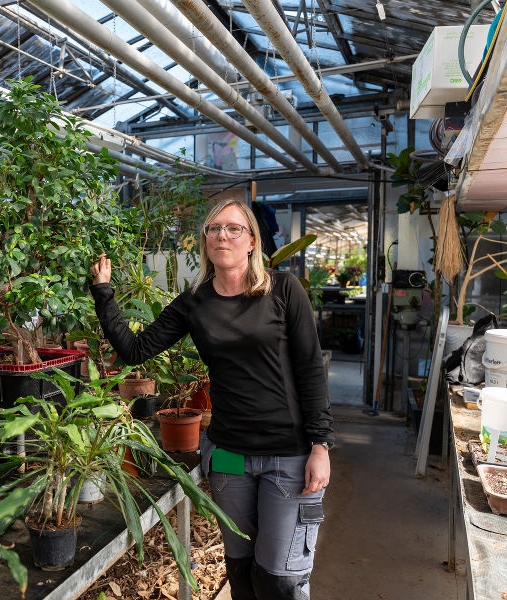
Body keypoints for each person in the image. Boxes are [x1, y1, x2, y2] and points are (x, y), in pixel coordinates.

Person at [89, 198, 333, 600]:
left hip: (286, 457)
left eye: (234, 228)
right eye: (213, 229)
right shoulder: (195, 303)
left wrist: (320, 445)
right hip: (227, 457)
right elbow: (134, 350)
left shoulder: (283, 290)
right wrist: (103, 293)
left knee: (280, 579)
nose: (222, 235)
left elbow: (310, 369)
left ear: (252, 240)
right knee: (240, 569)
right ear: (205, 241)